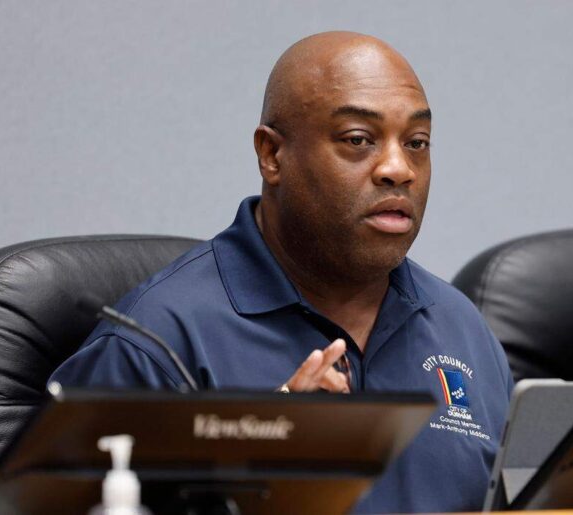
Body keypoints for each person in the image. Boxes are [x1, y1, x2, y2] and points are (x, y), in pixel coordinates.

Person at [50, 31, 510, 512]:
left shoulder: (462, 328)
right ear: (272, 155)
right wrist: (252, 470)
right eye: (358, 140)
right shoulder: (156, 342)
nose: (399, 168)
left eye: (417, 142)